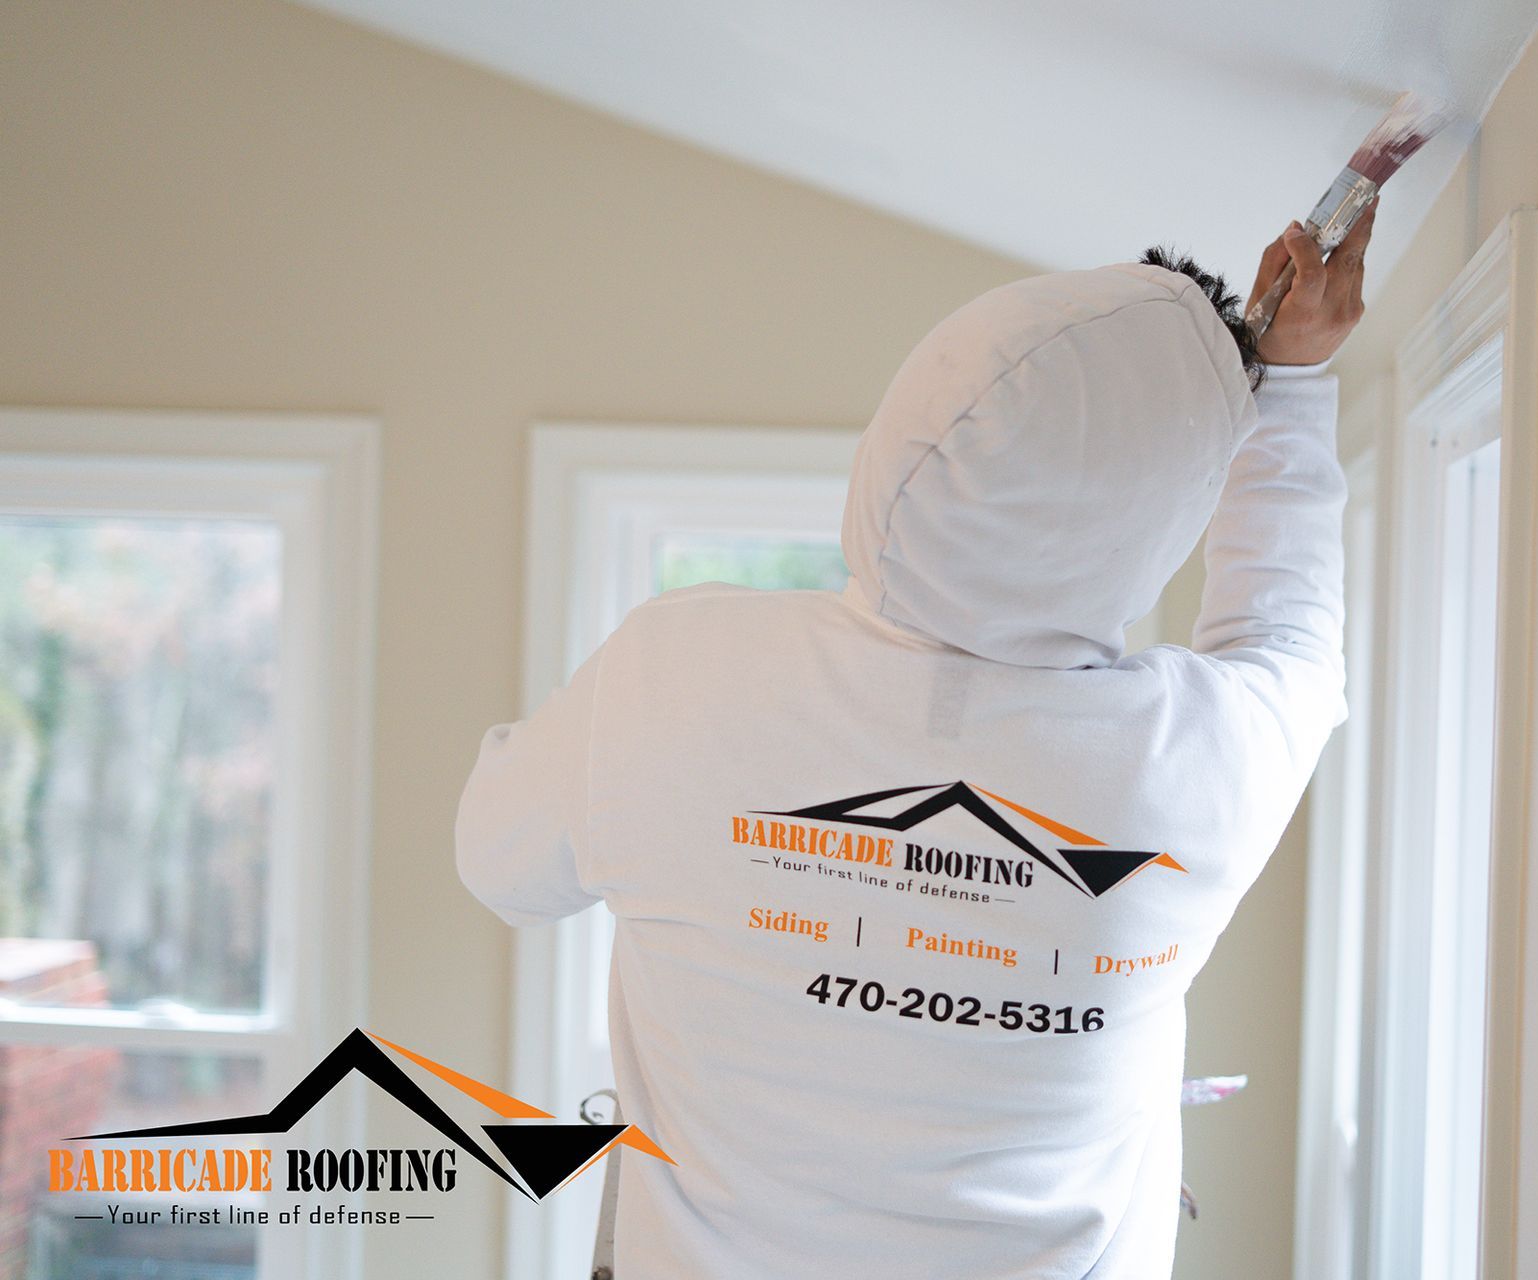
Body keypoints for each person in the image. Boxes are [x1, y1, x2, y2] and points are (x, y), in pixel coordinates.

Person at [455, 203, 1374, 1278]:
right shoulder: (1198, 763)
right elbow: (1286, 632)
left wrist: (622, 756)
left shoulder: (676, 674)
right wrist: (1296, 380)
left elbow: (497, 863)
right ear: (1161, 505)